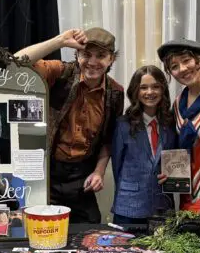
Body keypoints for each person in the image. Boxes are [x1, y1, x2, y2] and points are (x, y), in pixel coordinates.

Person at [15, 28, 124, 224]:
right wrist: (60, 41)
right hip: (47, 174)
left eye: (101, 56)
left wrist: (99, 171)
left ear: (111, 59)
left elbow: (109, 139)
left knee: (90, 232)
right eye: (86, 54)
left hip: (82, 178)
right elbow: (14, 63)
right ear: (76, 54)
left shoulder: (116, 92)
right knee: (42, 231)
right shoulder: (60, 73)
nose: (92, 62)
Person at [158, 39, 200, 212]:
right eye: (174, 66)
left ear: (199, 60)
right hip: (187, 195)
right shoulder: (178, 104)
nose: (182, 69)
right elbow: (177, 151)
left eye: (186, 60)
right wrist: (169, 172)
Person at [110, 65, 176, 226]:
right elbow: (117, 166)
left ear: (163, 90)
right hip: (128, 206)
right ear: (136, 91)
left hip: (162, 205)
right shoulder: (123, 125)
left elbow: (175, 160)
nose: (150, 92)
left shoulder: (170, 124)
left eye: (155, 87)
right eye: (143, 87)